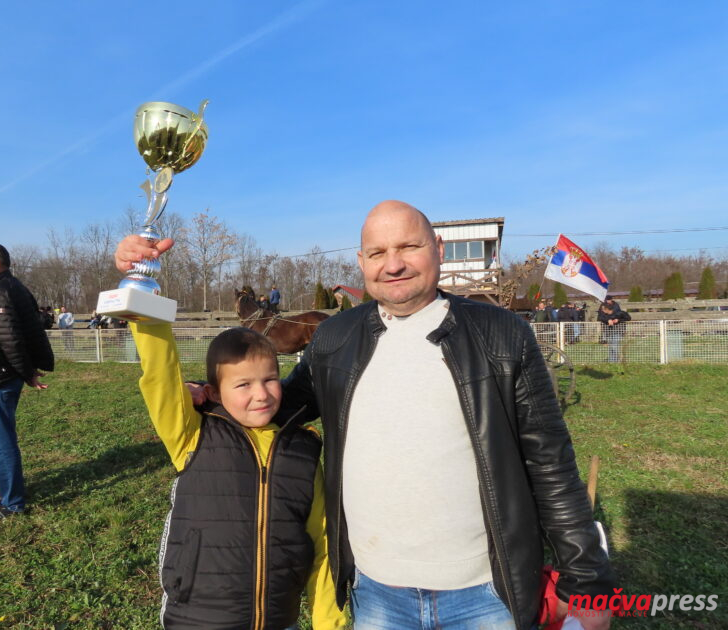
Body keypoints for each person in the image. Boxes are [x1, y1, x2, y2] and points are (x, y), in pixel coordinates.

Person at [114, 202, 615, 630]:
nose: (392, 264)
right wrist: (209, 392)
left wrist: (587, 580)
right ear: (361, 262)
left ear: (437, 249)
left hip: (486, 591)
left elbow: (550, 463)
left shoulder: (503, 335)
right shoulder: (336, 339)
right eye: (377, 253)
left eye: (408, 248)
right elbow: (276, 404)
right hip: (377, 595)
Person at [124, 292, 346, 628]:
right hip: (199, 619)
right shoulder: (193, 435)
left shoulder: (304, 449)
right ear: (213, 392)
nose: (261, 394)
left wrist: (330, 623)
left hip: (279, 619)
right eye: (243, 384)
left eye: (270, 379)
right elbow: (160, 378)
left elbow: (323, 545)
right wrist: (145, 306)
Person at [0, 243, 54, 523]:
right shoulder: (4, 288)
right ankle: (4, 492)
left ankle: (12, 503)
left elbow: (10, 338)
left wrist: (25, 372)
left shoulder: (0, 290)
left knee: (0, 440)